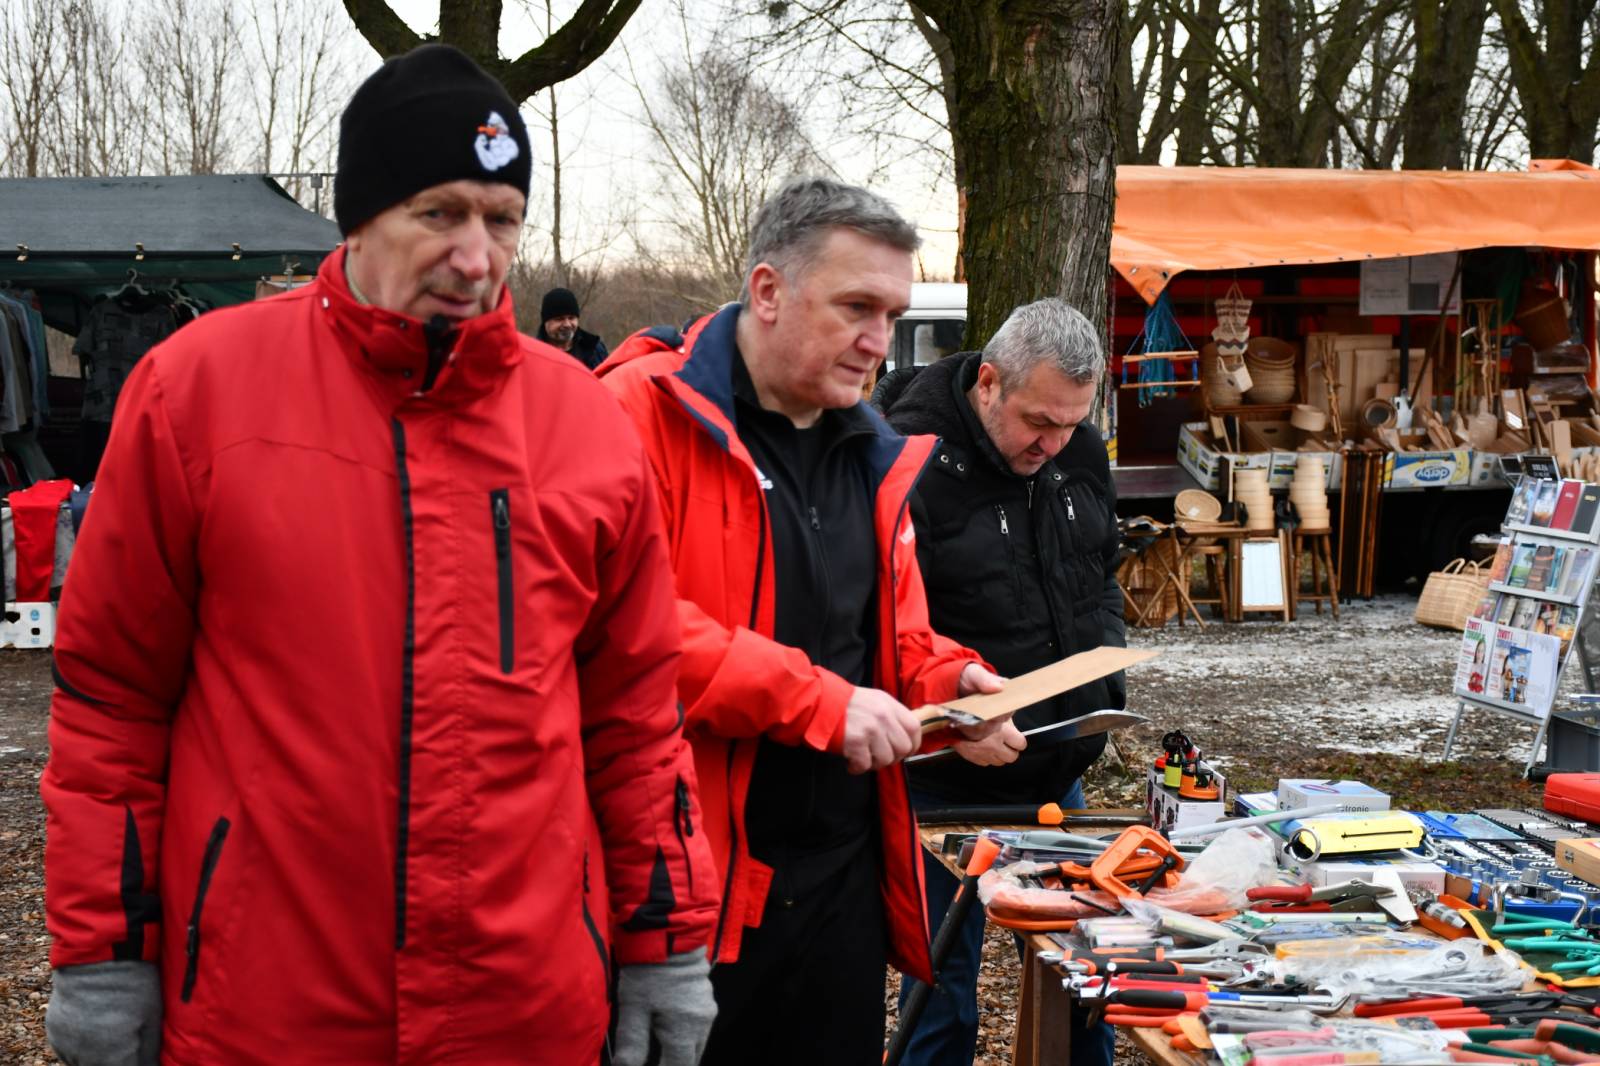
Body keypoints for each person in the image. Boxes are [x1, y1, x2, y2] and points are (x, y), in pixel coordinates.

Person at [41, 44, 717, 1066]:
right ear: (359, 217)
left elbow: (634, 717)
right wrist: (102, 956)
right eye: (438, 213)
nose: (477, 255)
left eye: (501, 219)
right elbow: (112, 701)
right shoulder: (196, 394)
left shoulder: (585, 422)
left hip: (524, 1008)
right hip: (267, 1007)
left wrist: (665, 943)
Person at [598, 176, 1008, 1066]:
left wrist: (951, 685)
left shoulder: (871, 447)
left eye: (893, 316)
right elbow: (617, 630)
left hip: (842, 889)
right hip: (689, 894)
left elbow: (888, 643)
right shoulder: (637, 413)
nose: (878, 344)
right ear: (768, 290)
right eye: (857, 307)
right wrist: (817, 703)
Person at [877, 298, 1125, 1066]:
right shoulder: (904, 459)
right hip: (943, 783)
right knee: (941, 999)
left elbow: (1099, 576)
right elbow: (876, 630)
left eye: (1072, 423)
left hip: (1058, 778)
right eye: (1038, 423)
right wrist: (951, 717)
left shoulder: (1077, 449)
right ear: (988, 382)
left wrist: (1105, 672)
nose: (1054, 444)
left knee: (1088, 984)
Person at [537, 285, 609, 369]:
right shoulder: (533, 355)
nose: (567, 324)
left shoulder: (595, 350)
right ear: (546, 322)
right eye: (559, 319)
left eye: (571, 318)